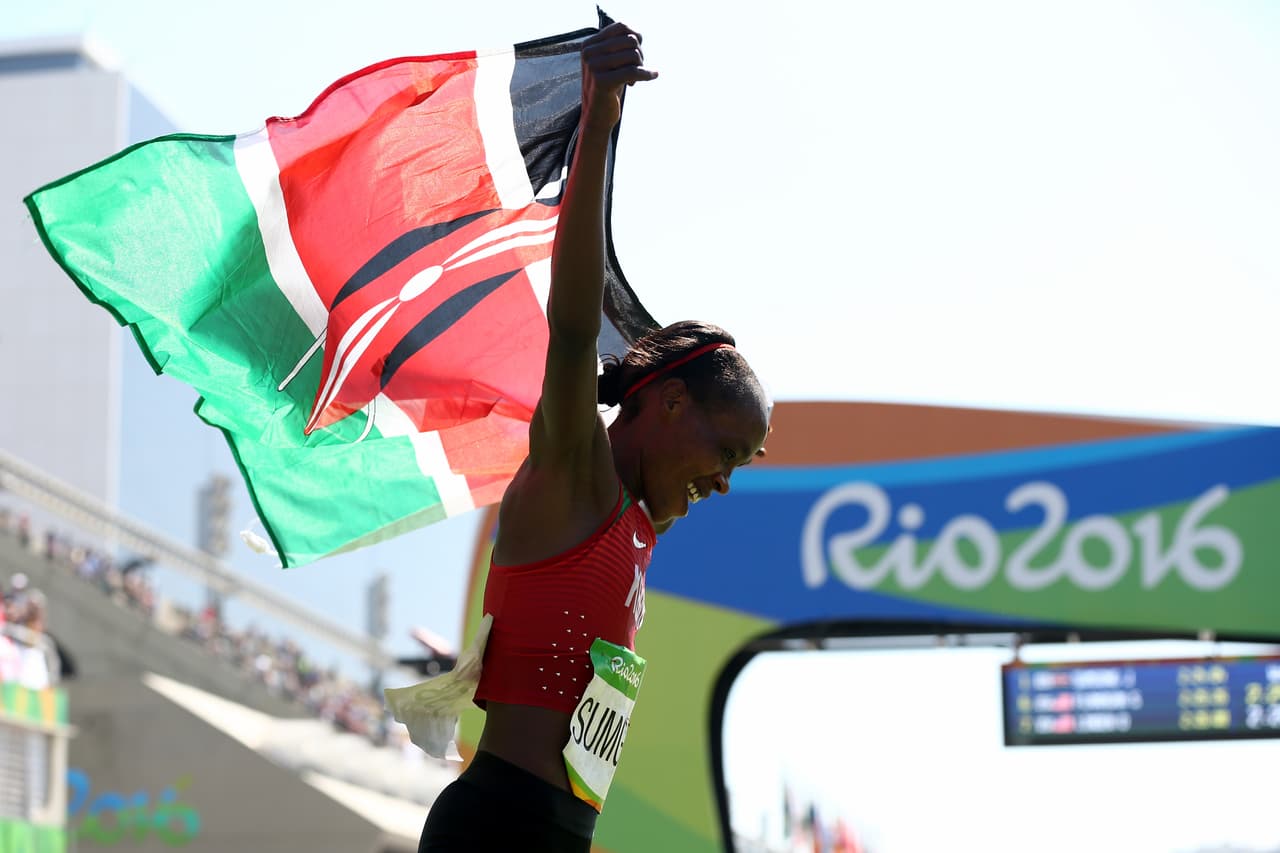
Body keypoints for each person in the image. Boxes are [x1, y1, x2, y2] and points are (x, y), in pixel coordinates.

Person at [396, 22, 770, 852]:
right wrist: (599, 117)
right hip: (497, 826)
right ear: (669, 404)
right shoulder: (574, 472)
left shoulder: (640, 524)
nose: (726, 481)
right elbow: (571, 326)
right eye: (727, 453)